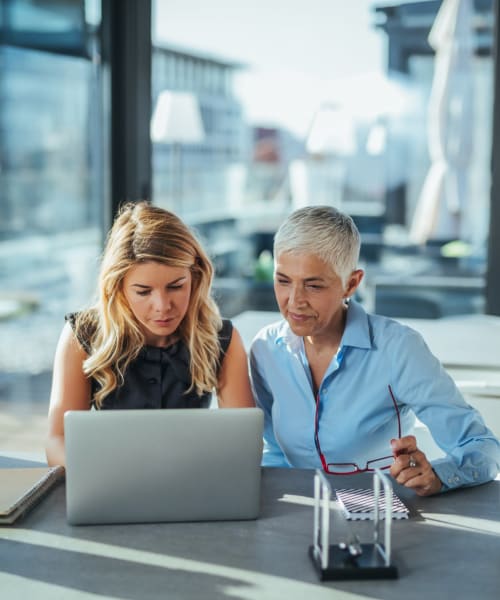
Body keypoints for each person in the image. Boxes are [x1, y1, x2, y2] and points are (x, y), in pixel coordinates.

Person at [249, 205, 500, 496]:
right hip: (297, 517)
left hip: (385, 519)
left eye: (314, 285)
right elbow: (275, 451)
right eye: (283, 281)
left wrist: (438, 476)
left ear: (351, 283)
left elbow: (482, 448)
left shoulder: (398, 349)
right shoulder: (266, 350)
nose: (295, 301)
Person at [46, 201, 254, 467]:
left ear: (195, 276)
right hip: (109, 488)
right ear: (118, 287)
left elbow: (242, 443)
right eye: (143, 292)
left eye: (176, 286)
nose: (163, 306)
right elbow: (57, 440)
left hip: (193, 485)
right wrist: (96, 475)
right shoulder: (82, 335)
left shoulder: (221, 338)